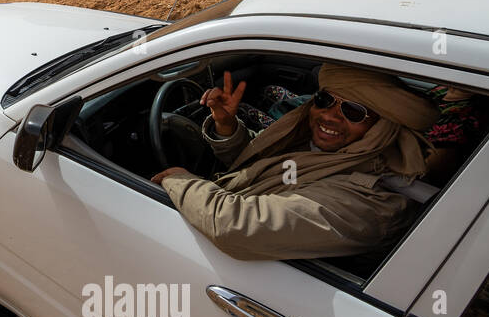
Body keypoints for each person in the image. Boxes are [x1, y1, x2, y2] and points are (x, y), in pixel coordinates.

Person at [150, 63, 439, 261]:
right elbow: (262, 167)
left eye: (353, 111)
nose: (330, 116)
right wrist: (226, 126)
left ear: (382, 127)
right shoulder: (331, 150)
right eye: (325, 100)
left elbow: (234, 226)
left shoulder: (370, 203)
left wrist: (179, 179)